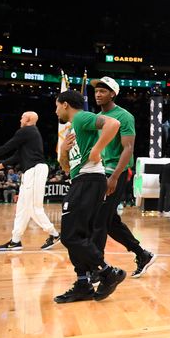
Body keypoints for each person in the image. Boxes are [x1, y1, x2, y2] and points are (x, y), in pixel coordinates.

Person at [53, 90, 126, 303]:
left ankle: (107, 272)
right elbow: (66, 168)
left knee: (69, 236)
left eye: (57, 105)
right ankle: (83, 283)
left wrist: (97, 149)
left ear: (65, 104)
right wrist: (64, 152)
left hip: (89, 180)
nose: (55, 110)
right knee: (79, 236)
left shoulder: (82, 117)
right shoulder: (73, 129)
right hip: (82, 180)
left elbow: (113, 124)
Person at [90, 77, 157, 279]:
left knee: (98, 220)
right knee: (110, 222)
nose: (98, 94)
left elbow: (128, 148)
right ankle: (142, 254)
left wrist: (115, 177)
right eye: (96, 91)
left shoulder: (124, 116)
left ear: (113, 93)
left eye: (103, 91)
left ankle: (97, 268)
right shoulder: (97, 117)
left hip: (116, 172)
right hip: (100, 170)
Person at [0, 111, 60, 251]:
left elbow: (7, 147)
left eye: (22, 117)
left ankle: (54, 234)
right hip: (30, 172)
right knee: (22, 208)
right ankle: (15, 240)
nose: (20, 120)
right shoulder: (30, 135)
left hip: (35, 170)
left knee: (34, 208)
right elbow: (16, 157)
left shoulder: (27, 130)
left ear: (27, 119)